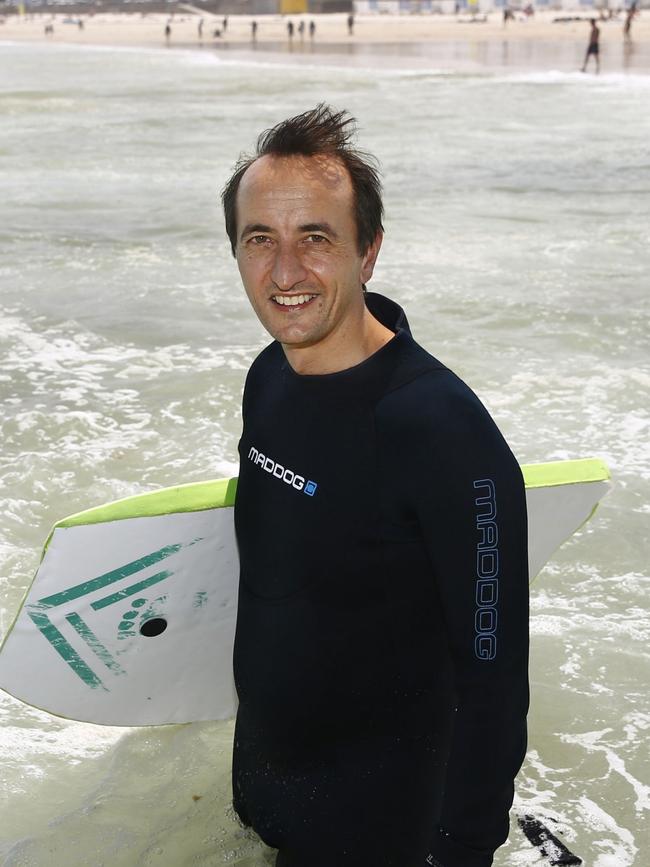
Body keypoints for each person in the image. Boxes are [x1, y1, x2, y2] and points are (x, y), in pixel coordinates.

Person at [221, 105, 529, 867]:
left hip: (384, 826)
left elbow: (493, 677)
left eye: (315, 239)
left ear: (369, 251)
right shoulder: (270, 376)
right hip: (269, 788)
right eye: (261, 239)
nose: (284, 272)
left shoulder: (442, 432)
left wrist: (462, 848)